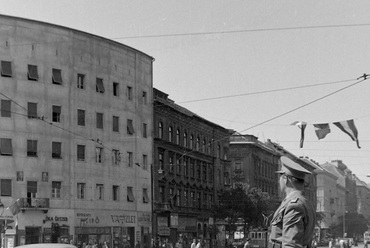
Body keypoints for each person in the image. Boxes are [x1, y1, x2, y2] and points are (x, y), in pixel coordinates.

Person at [269, 156, 316, 248]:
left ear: (285, 179)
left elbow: (291, 244)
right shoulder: (305, 202)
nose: (279, 181)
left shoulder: (294, 206)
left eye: (280, 176)